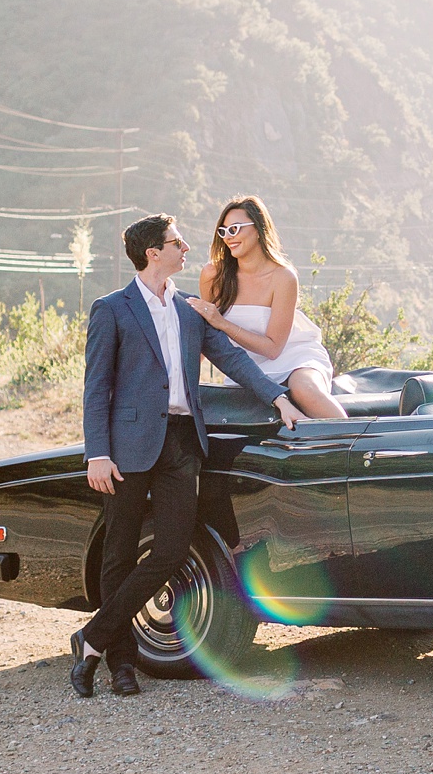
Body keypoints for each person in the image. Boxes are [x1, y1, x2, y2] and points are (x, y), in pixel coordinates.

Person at [70, 213, 299, 699]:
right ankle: (122, 664)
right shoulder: (111, 309)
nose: (186, 249)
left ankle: (90, 637)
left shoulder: (191, 309)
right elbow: (97, 388)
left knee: (171, 549)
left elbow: (232, 359)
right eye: (177, 243)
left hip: (181, 443)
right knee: (119, 553)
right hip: (127, 445)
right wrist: (98, 453)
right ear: (154, 253)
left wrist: (277, 396)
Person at [186, 194, 349, 425]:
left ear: (259, 228)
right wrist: (182, 376)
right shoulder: (214, 274)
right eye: (223, 232)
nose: (228, 238)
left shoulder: (283, 276)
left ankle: (355, 440)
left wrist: (222, 323)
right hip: (246, 368)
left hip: (293, 357)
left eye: (235, 229)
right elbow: (206, 335)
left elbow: (273, 349)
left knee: (305, 390)